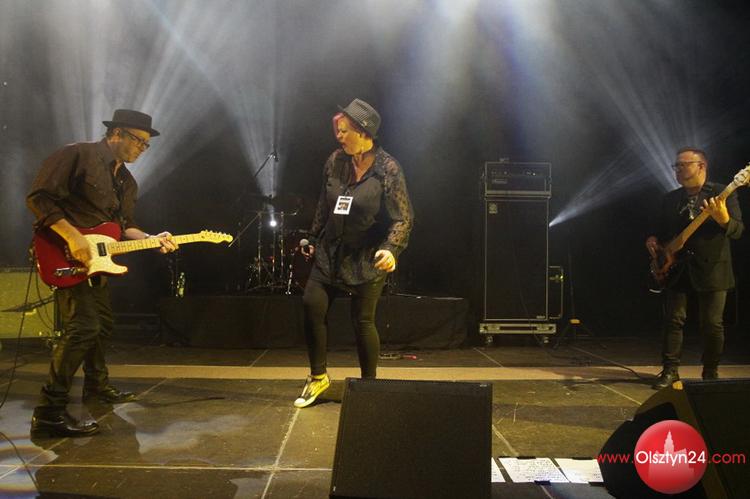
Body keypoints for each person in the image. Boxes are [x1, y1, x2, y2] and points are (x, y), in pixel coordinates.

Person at [27, 109, 178, 436]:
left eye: (146, 145)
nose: (142, 149)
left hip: (97, 261)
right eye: (138, 141)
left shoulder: (127, 181)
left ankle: (96, 387)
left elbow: (123, 227)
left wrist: (152, 239)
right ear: (117, 133)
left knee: (103, 324)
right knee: (83, 326)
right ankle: (48, 412)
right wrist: (73, 237)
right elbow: (39, 199)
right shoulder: (77, 155)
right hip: (63, 252)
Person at [293, 98, 414, 408]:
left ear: (364, 132)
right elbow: (324, 204)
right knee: (311, 305)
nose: (339, 135)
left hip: (366, 257)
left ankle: (369, 386)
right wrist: (312, 237)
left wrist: (391, 249)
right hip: (330, 251)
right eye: (338, 129)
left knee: (363, 321)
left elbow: (403, 217)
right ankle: (318, 377)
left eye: (344, 130)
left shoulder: (388, 169)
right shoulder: (335, 161)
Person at [646, 147, 743, 389]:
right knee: (673, 320)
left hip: (712, 268)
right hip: (677, 268)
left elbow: (738, 230)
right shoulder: (670, 198)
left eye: (683, 164)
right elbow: (659, 230)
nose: (678, 170)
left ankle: (710, 372)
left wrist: (723, 219)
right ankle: (670, 370)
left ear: (701, 166)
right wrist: (653, 240)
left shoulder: (721, 193)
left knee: (711, 324)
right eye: (676, 166)